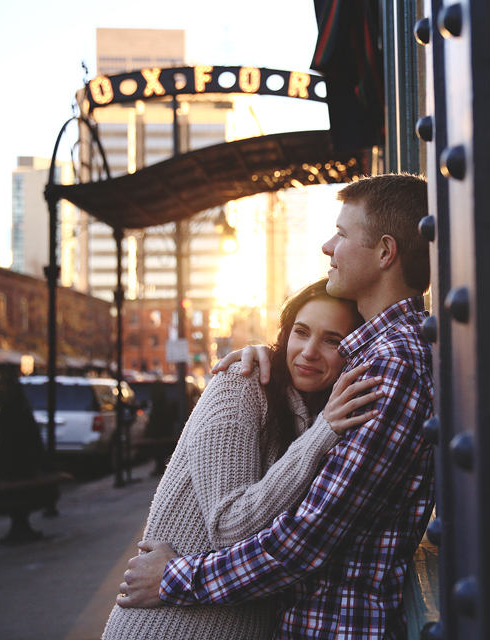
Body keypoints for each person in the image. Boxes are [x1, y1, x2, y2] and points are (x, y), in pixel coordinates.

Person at [118, 173, 436, 640]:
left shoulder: (391, 366)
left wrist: (173, 578)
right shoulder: (372, 358)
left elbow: (305, 539)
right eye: (301, 334)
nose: (328, 247)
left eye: (342, 234)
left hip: (335, 627)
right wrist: (270, 359)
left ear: (385, 252)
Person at [103, 279, 378, 640]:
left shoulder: (319, 412)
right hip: (168, 629)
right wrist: (320, 436)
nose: (309, 351)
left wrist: (321, 428)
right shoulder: (241, 385)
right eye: (301, 332)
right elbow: (228, 528)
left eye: (331, 340)